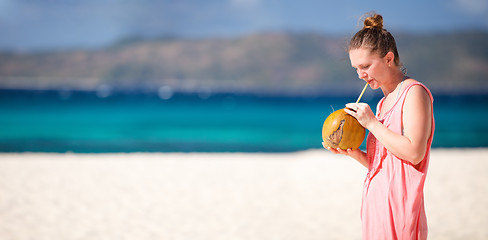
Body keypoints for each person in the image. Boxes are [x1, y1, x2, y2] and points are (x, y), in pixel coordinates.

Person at [323, 13, 435, 240]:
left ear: (388, 58)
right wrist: (355, 154)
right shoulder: (383, 103)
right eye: (356, 68)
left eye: (365, 66)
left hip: (399, 209)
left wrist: (372, 123)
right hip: (375, 205)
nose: (360, 75)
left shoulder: (413, 93)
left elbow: (414, 153)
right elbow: (388, 166)